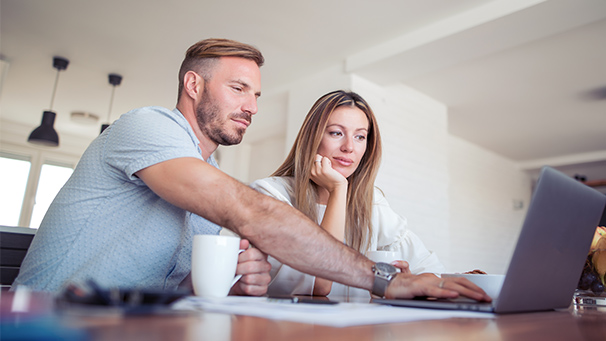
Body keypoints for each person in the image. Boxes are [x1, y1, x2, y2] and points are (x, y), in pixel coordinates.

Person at [14, 38, 490, 303]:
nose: (252, 107)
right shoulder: (147, 126)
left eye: (257, 96)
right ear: (193, 83)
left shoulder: (207, 174)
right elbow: (248, 210)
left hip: (134, 328)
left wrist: (239, 283)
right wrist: (384, 278)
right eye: (239, 89)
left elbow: (180, 285)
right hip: (49, 322)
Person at [249, 90, 446, 297]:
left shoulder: (372, 204)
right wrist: (338, 189)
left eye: (360, 136)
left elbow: (433, 272)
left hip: (357, 329)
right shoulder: (270, 194)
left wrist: (406, 283)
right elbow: (320, 284)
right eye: (336, 133)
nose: (349, 147)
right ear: (312, 138)